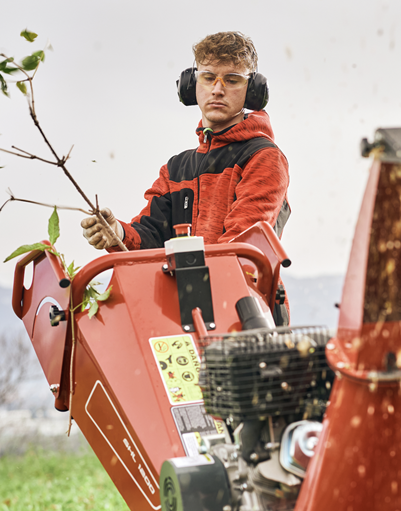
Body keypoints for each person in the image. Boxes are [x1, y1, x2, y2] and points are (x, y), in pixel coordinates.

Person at [80, 31, 290, 322]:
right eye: (208, 78)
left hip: (246, 317)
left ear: (251, 91)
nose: (218, 89)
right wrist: (117, 233)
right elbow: (151, 237)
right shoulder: (176, 170)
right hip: (185, 316)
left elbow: (238, 247)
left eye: (231, 80)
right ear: (192, 86)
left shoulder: (264, 158)